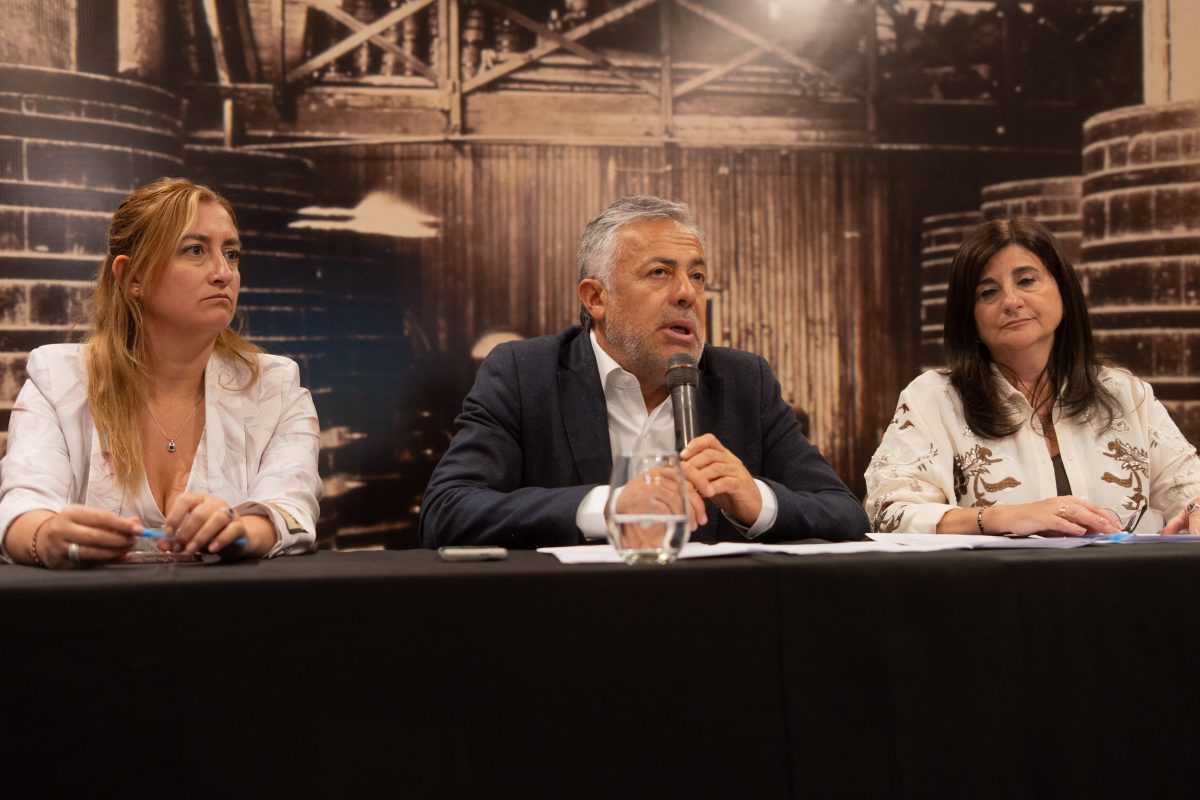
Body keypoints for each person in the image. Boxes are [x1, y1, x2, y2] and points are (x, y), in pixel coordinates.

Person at [419, 195, 868, 548]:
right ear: (596, 298)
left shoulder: (743, 380)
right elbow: (448, 512)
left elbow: (845, 513)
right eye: (659, 273)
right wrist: (612, 506)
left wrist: (758, 501)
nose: (687, 294)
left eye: (697, 276)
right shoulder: (524, 373)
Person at [0, 177, 322, 568]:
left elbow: (292, 510)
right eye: (195, 250)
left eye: (232, 253)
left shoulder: (275, 386)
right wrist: (47, 537)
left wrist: (240, 529)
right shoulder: (58, 379)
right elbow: (20, 510)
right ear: (132, 276)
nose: (224, 272)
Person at [865, 215, 1200, 536]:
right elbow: (887, 513)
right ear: (970, 318)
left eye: (1026, 281)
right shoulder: (933, 399)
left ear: (1063, 291)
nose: (1011, 301)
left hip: (1123, 577)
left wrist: (1196, 507)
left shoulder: (1125, 393)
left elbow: (1189, 488)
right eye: (988, 292)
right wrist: (1003, 517)